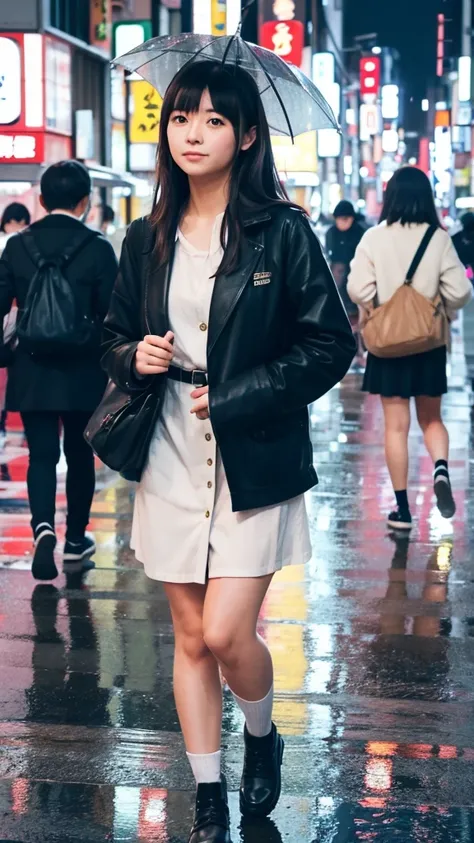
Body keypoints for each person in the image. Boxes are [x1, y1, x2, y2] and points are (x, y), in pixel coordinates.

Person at [102, 60, 355, 843]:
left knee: (224, 633)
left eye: (214, 120)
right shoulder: (144, 238)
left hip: (255, 454)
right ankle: (208, 793)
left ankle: (262, 729)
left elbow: (330, 344)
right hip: (170, 446)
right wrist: (131, 356)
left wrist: (243, 394)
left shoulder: (283, 231)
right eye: (182, 118)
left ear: (247, 137)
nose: (194, 133)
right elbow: (110, 338)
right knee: (186, 635)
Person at [0, 160, 118, 581]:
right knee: (80, 454)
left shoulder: (16, 247)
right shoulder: (100, 248)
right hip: (83, 370)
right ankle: (75, 541)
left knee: (42, 455)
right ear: (85, 202)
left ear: (42, 199)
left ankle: (42, 527)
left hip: (32, 369)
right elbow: (114, 316)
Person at [348, 166, 471, 531]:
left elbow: (357, 288)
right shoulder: (439, 238)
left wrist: (379, 306)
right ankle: (440, 469)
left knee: (396, 428)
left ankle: (402, 511)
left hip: (387, 346)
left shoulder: (373, 237)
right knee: (432, 419)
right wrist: (437, 307)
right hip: (427, 344)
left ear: (390, 198)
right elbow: (461, 292)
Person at [326, 200, 367, 362]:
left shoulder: (361, 232)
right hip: (337, 277)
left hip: (357, 275)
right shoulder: (331, 233)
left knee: (357, 315)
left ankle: (360, 348)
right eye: (339, 219)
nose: (342, 222)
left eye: (346, 219)